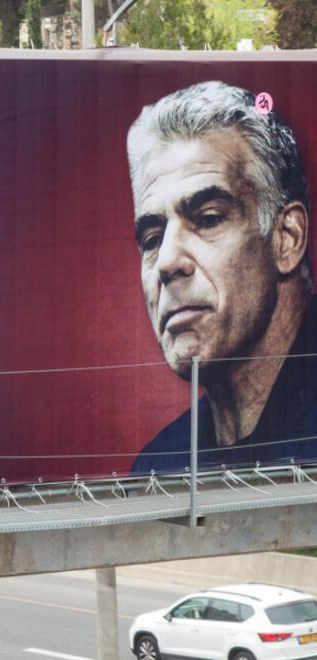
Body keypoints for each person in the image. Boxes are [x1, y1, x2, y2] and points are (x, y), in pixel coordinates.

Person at [126, 81, 317, 475]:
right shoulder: (159, 466)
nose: (166, 262)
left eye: (208, 219)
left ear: (287, 239)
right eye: (151, 238)